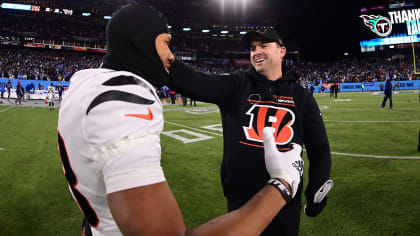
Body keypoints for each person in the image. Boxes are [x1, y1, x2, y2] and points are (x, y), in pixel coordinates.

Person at [57, 4, 304, 236]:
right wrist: (282, 184)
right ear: (142, 44)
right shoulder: (124, 97)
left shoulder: (85, 82)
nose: (172, 55)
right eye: (166, 43)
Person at [168, 29, 332, 236]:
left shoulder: (301, 96)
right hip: (241, 201)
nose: (256, 52)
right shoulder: (236, 85)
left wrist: (317, 187)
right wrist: (163, 60)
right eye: (253, 48)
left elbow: (319, 147)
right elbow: (194, 81)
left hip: (285, 202)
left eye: (264, 46)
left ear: (282, 51)